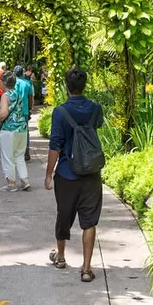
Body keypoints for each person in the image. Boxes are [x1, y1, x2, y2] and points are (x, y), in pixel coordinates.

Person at [44, 68, 104, 283]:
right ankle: (86, 269)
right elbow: (97, 126)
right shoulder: (96, 109)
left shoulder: (60, 112)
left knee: (64, 215)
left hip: (67, 174)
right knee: (89, 221)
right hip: (91, 173)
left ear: (66, 86)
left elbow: (55, 146)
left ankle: (60, 257)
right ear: (84, 85)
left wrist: (49, 174)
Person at [0, 70, 29, 192]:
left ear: (3, 82)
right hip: (22, 129)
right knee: (19, 156)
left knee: (8, 157)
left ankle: (11, 184)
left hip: (9, 130)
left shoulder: (5, 96)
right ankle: (24, 180)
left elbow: (4, 113)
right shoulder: (18, 94)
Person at [14, 64, 34, 161]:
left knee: (13, 130)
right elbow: (30, 98)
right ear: (22, 73)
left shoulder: (12, 83)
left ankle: (15, 152)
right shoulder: (27, 83)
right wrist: (30, 109)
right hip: (24, 111)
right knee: (25, 131)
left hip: (13, 111)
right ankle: (26, 152)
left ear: (14, 73)